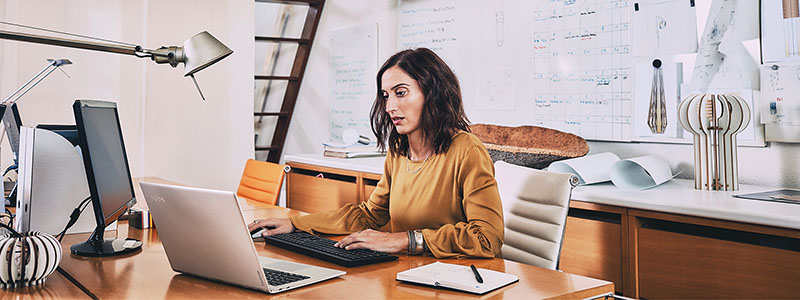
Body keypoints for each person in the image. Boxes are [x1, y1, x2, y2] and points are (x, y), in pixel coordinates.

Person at [249, 48, 504, 258]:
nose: (390, 106)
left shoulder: (467, 150)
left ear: (433, 93)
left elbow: (487, 238)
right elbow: (369, 215)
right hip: (409, 274)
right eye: (385, 96)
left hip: (455, 280)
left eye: (401, 93)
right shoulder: (399, 151)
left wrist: (403, 240)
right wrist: (296, 225)